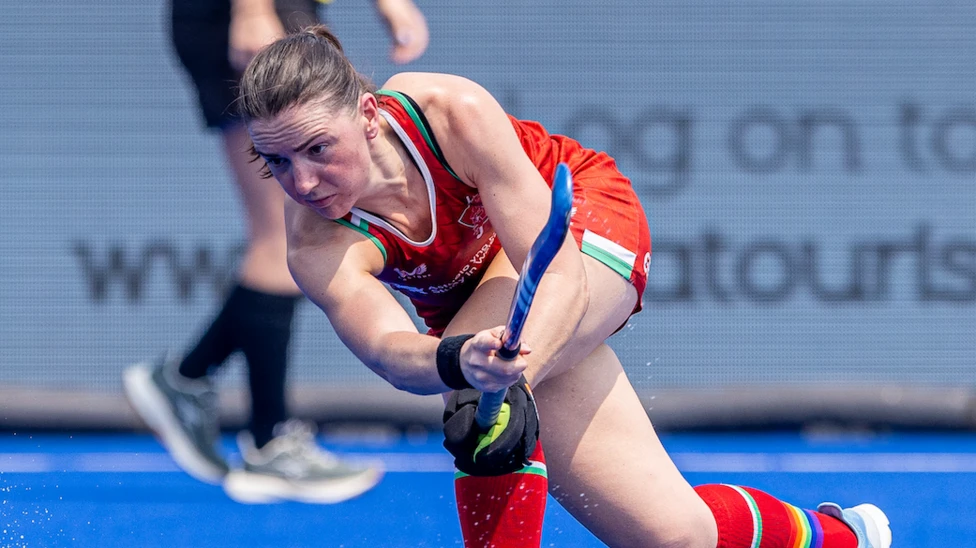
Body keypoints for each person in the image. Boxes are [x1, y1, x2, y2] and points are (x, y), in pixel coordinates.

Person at [235, 24, 892, 548]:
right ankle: (844, 536)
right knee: (675, 534)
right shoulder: (316, 244)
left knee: (482, 412)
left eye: (318, 149)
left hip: (579, 228)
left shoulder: (448, 113)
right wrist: (460, 359)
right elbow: (389, 353)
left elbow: (557, 273)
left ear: (368, 115)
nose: (303, 182)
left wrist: (499, 376)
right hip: (481, 320)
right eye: (276, 162)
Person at [122, 0, 428, 504]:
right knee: (282, 238)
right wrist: (251, 10)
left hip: (272, 12)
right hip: (243, 13)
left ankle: (189, 382)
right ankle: (266, 441)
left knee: (282, 236)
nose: (302, 177)